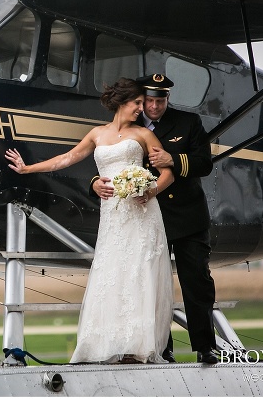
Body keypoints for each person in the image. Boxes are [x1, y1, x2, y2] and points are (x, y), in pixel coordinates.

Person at [5, 77, 174, 364]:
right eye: (137, 103)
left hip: (141, 213)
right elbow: (67, 158)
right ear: (122, 102)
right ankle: (104, 344)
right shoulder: (97, 133)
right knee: (112, 273)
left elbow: (168, 171)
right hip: (112, 216)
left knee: (138, 273)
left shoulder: (144, 134)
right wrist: (27, 169)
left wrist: (151, 190)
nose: (141, 108)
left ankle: (137, 347)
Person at [91, 73, 218, 365]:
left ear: (167, 99)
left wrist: (173, 159)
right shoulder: (128, 124)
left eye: (160, 101)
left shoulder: (188, 122)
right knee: (150, 284)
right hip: (146, 217)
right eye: (149, 101)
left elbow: (204, 163)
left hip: (187, 216)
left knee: (196, 281)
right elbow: (107, 160)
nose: (154, 107)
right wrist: (94, 183)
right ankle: (161, 348)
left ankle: (205, 346)